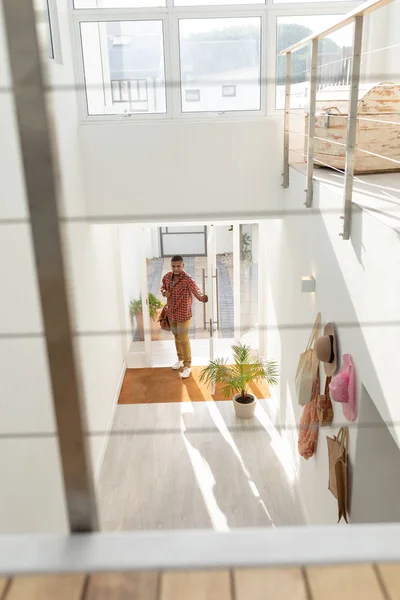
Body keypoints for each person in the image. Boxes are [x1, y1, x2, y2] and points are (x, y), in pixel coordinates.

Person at [161, 255, 208, 379]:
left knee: (184, 339)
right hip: (171, 313)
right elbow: (163, 288)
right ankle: (180, 359)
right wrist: (164, 292)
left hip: (184, 315)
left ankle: (188, 365)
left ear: (183, 265)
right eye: (173, 266)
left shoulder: (187, 279)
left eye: (178, 266)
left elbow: (196, 290)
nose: (176, 269)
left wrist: (202, 297)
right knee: (176, 337)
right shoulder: (166, 277)